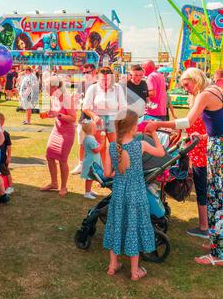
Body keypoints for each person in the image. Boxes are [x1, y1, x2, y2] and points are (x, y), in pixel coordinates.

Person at [145, 68, 223, 266]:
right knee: (215, 196)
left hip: (217, 149)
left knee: (216, 198)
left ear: (195, 80)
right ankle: (217, 243)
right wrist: (207, 136)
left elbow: (187, 121)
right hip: (215, 143)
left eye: (186, 85)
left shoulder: (204, 94)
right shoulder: (215, 90)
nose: (186, 89)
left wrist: (156, 125)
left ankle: (218, 254)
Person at [103, 110, 165, 281]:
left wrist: (119, 173)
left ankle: (112, 265)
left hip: (119, 193)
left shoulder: (112, 146)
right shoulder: (140, 145)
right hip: (136, 193)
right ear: (132, 127)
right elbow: (161, 152)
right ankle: (134, 271)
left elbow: (107, 172)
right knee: (134, 227)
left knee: (117, 225)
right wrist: (153, 133)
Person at [40, 76, 76, 197]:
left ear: (55, 87)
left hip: (67, 132)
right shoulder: (54, 97)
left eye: (47, 88)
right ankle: (54, 183)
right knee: (49, 156)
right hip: (57, 130)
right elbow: (54, 112)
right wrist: (48, 114)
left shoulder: (67, 98)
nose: (46, 90)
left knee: (62, 160)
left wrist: (58, 115)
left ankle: (63, 186)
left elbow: (73, 118)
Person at [83, 67, 126, 163]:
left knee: (115, 147)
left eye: (108, 79)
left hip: (113, 120)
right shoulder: (93, 88)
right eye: (103, 79)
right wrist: (94, 116)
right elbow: (85, 108)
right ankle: (103, 170)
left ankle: (116, 168)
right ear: (98, 78)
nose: (106, 82)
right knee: (100, 147)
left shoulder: (117, 88)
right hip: (98, 121)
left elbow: (123, 107)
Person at [71, 63, 97, 175]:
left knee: (95, 144)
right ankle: (81, 164)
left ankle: (95, 167)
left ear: (94, 71)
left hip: (95, 118)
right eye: (84, 72)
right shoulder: (82, 84)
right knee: (81, 143)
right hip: (83, 118)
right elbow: (76, 100)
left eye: (88, 72)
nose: (86, 74)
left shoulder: (98, 85)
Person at [80, 120, 104, 200]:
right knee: (89, 178)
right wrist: (102, 143)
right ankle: (87, 193)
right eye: (95, 127)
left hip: (91, 159)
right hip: (91, 161)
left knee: (92, 177)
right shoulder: (90, 139)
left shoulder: (88, 138)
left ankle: (89, 191)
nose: (96, 129)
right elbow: (96, 150)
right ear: (92, 129)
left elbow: (83, 148)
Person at [0, 112, 14, 195]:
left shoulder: (6, 134)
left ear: (1, 123)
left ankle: (10, 186)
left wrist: (9, 157)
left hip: (2, 158)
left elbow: (9, 147)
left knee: (5, 171)